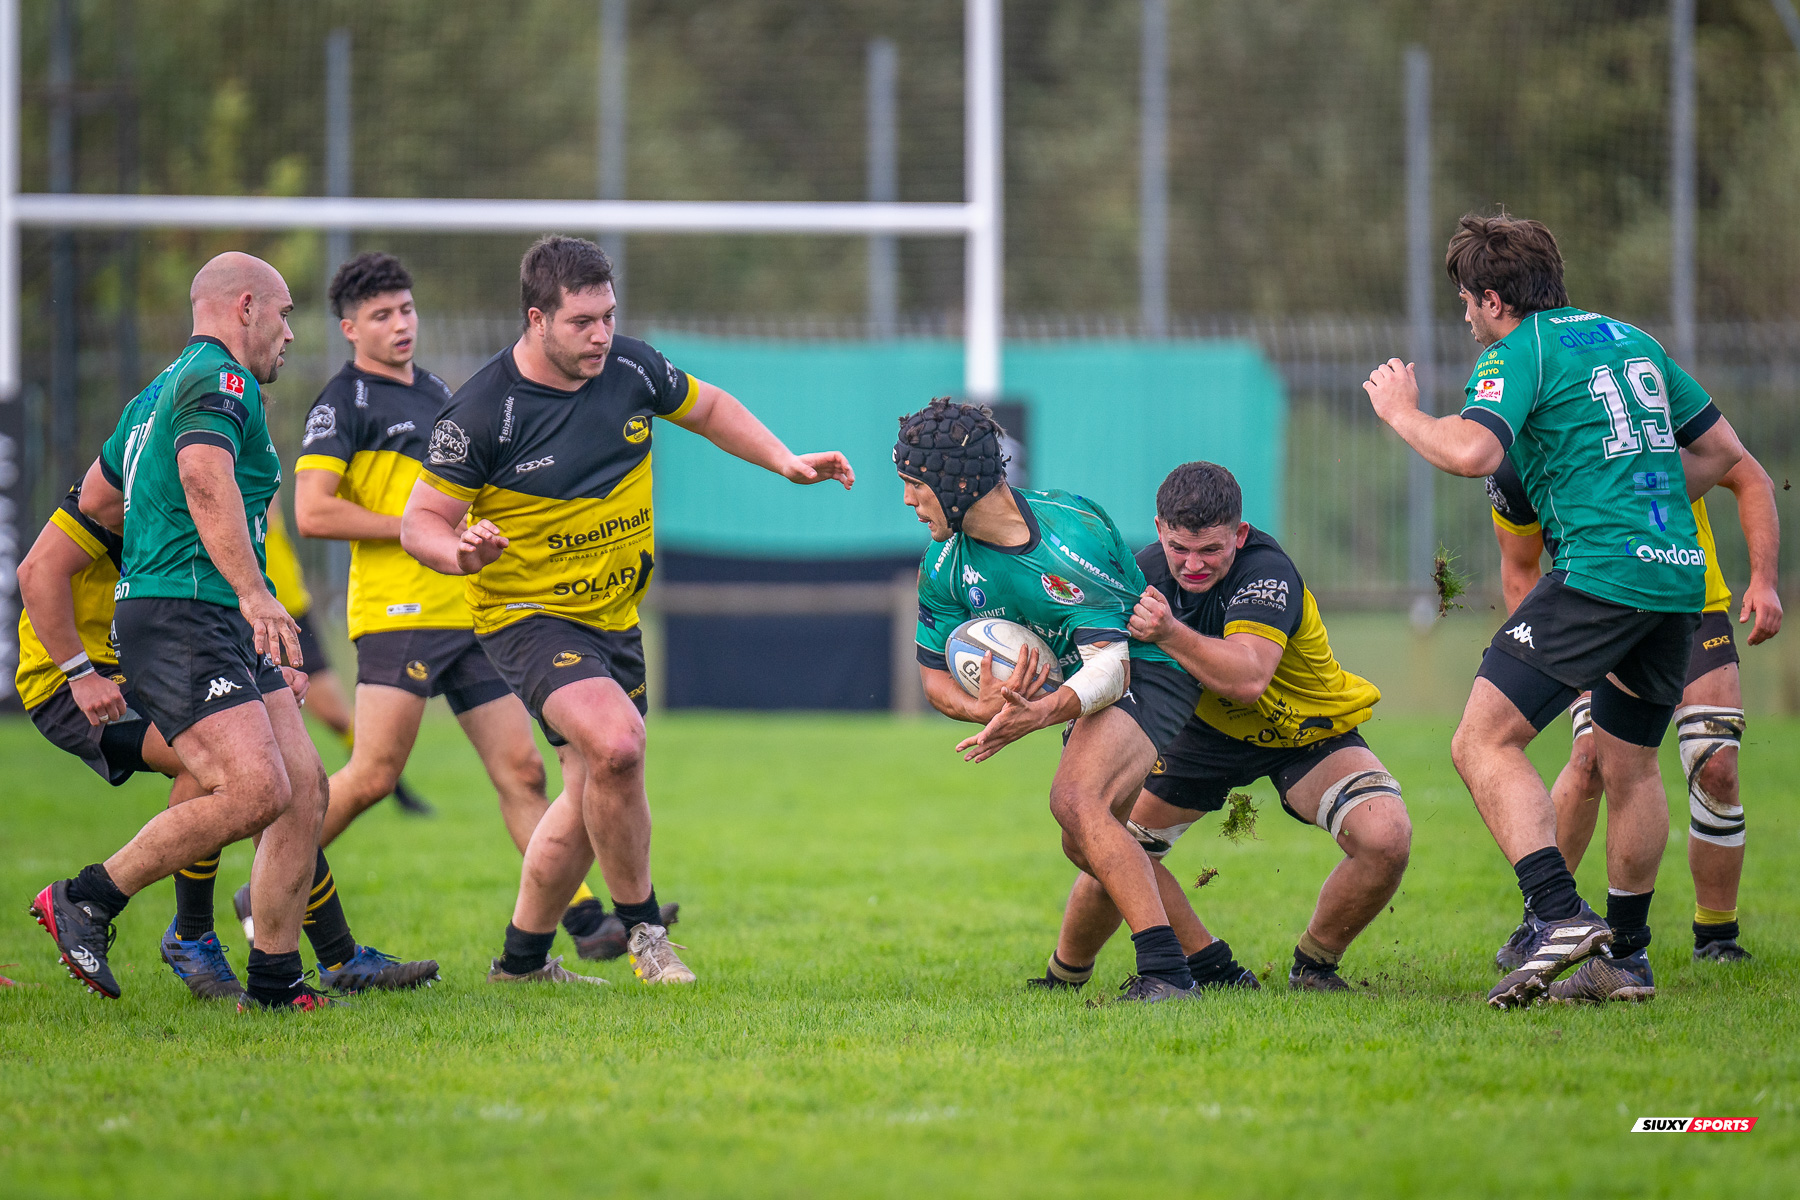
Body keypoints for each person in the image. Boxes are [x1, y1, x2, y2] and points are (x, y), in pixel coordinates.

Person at [401, 235, 852, 986]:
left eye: (609, 316)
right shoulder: (483, 410)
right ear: (537, 319)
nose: (602, 335)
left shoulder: (632, 367)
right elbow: (420, 519)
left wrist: (785, 460)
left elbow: (708, 409)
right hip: (525, 614)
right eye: (583, 322)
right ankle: (645, 935)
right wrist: (457, 550)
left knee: (585, 802)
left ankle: (519, 965)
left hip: (614, 617)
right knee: (618, 747)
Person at [30, 252, 434, 1010]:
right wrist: (254, 596)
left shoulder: (152, 397)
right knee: (253, 790)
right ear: (245, 306)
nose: (288, 333)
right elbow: (204, 480)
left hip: (208, 614)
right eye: (283, 315)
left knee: (305, 789)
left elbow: (99, 503)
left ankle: (277, 982)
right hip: (182, 613)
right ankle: (87, 899)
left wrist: (257, 615)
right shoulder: (223, 379)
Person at [1364, 212, 1747, 1009]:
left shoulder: (1520, 351)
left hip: (1600, 572)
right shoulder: (1631, 338)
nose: (1466, 318)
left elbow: (1474, 453)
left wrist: (1400, 412)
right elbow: (1720, 455)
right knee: (1630, 765)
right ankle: (1628, 958)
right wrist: (1636, 487)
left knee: (1480, 741)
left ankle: (1554, 915)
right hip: (1675, 577)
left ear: (1493, 298)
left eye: (1467, 302)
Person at [293, 252, 660, 961]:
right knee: (374, 776)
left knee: (524, 771)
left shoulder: (436, 391)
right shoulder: (344, 405)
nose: (400, 325)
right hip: (402, 610)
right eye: (380, 316)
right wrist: (428, 528)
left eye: (406, 309)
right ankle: (274, 884)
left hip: (474, 607)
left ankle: (577, 924)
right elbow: (313, 512)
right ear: (347, 328)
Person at [18, 478, 435, 1000]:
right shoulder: (132, 477)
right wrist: (79, 673)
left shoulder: (215, 471)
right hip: (72, 681)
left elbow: (221, 590)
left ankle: (337, 957)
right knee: (233, 766)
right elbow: (36, 571)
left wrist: (267, 667)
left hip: (154, 664)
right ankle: (172, 928)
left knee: (273, 765)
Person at [1035, 462, 1411, 994]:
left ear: (1239, 534)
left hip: (1302, 730)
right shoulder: (1140, 574)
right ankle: (1068, 978)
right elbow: (1100, 660)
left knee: (1386, 837)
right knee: (1105, 847)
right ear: (1160, 528)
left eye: (1210, 550)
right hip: (1201, 738)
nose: (1192, 564)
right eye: (1178, 547)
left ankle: (1314, 966)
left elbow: (1249, 676)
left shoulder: (1266, 572)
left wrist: (1167, 631)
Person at [901, 399, 1209, 1003]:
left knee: (1076, 799)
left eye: (915, 486)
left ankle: (1167, 977)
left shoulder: (1072, 531)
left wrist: (1040, 712)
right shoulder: (941, 563)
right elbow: (935, 681)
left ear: (954, 482)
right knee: (1085, 837)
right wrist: (985, 706)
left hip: (1147, 666)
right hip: (1082, 689)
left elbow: (1114, 666)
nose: (909, 502)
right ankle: (1210, 965)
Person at [1486, 450, 1780, 984]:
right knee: (1589, 755)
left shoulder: (1649, 397)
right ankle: (1548, 919)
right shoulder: (1516, 452)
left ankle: (1716, 936)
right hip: (1596, 606)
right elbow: (1519, 564)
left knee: (1715, 762)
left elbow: (1748, 473)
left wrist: (1764, 578)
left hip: (1689, 600)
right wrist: (1555, 664)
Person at [264, 489, 434, 815]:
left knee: (336, 716)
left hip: (288, 609)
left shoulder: (251, 461)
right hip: (240, 612)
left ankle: (392, 787)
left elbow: (268, 517)